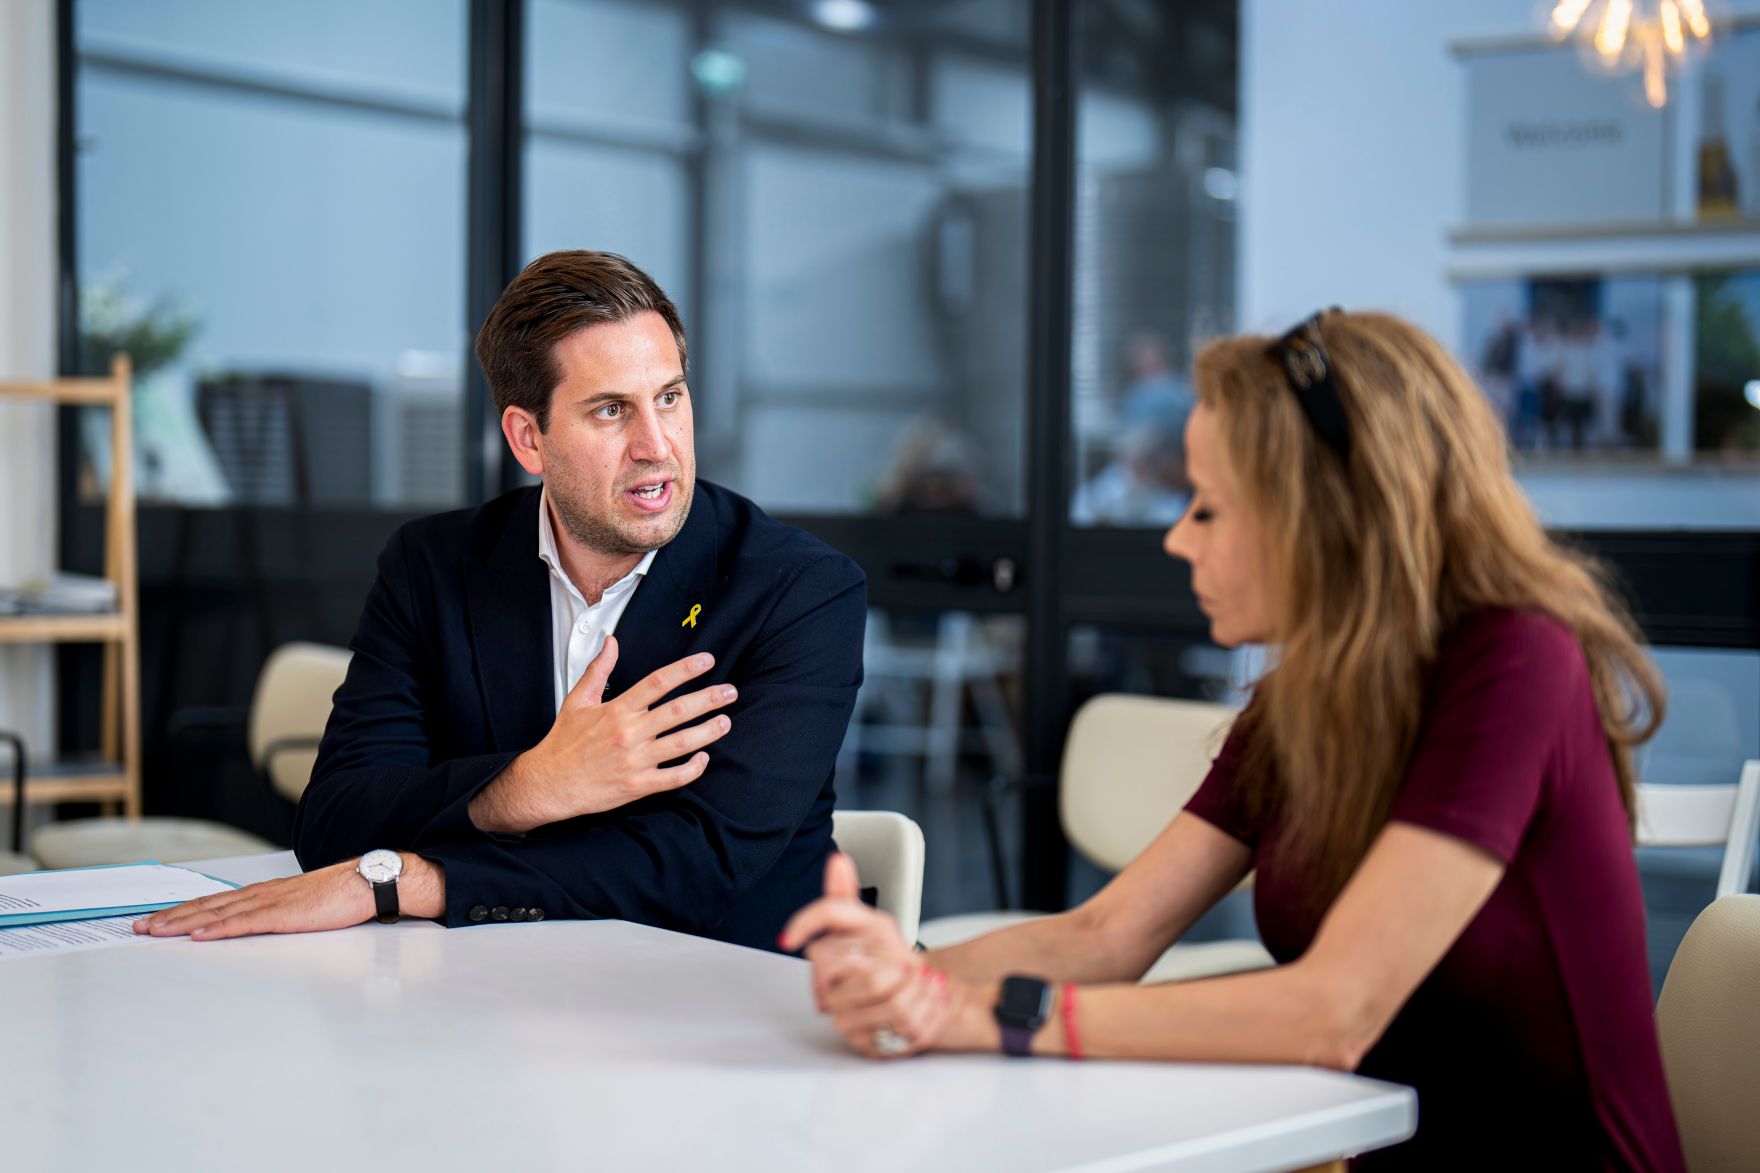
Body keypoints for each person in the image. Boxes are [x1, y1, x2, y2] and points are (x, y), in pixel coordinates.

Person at [782, 309, 1685, 1170]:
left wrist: (990, 1016)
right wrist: (897, 971)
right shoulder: (1307, 701)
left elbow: (1334, 1009)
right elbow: (1105, 933)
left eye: (1209, 508)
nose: (1178, 539)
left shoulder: (1515, 660)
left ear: (1324, 517)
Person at [137, 250, 866, 952]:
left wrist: (413, 881)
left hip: (733, 1012)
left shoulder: (798, 591)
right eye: (612, 411)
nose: (657, 445)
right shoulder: (432, 567)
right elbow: (336, 818)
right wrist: (525, 787)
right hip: (488, 995)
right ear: (528, 438)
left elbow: (701, 863)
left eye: (669, 398)